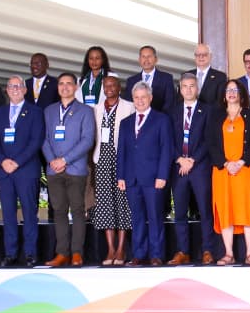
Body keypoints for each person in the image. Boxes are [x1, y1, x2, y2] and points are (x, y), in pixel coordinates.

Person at [207, 78, 250, 266]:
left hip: (247, 170)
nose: (231, 93)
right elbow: (211, 144)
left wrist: (241, 162)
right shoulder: (216, 117)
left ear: (241, 94)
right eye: (228, 90)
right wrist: (225, 163)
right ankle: (228, 253)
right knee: (226, 210)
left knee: (247, 209)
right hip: (223, 172)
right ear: (224, 96)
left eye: (235, 90)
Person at [42, 72, 96, 267]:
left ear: (75, 87)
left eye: (69, 84)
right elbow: (45, 139)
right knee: (59, 212)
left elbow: (87, 140)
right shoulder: (48, 111)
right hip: (54, 170)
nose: (65, 87)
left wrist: (64, 159)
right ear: (58, 87)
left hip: (76, 169)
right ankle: (62, 253)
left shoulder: (85, 111)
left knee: (78, 211)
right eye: (61, 84)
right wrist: (52, 161)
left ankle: (76, 253)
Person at [0, 75, 45, 267]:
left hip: (26, 170)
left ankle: (30, 253)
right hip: (4, 171)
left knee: (30, 213)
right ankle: (10, 253)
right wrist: (3, 160)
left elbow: (36, 141)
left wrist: (17, 162)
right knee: (8, 213)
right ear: (6, 90)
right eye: (11, 86)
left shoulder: (36, 112)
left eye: (18, 86)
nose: (14, 89)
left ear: (24, 90)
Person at [117, 81, 171, 266]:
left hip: (153, 178)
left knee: (155, 217)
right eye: (136, 97)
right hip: (131, 179)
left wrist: (162, 175)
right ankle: (138, 254)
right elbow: (121, 151)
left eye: (143, 97)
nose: (140, 101)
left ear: (150, 98)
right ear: (133, 99)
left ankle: (156, 254)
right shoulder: (125, 123)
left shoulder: (161, 120)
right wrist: (121, 176)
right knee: (137, 218)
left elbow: (166, 149)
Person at [168, 73, 218, 266]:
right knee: (180, 211)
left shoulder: (208, 110)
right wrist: (180, 159)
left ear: (197, 88)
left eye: (192, 86)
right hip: (179, 167)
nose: (188, 90)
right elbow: (168, 140)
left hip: (200, 167)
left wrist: (193, 160)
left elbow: (209, 139)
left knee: (205, 210)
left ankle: (208, 250)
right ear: (180, 89)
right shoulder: (172, 112)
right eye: (185, 86)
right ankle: (183, 251)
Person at [91, 75, 135, 265]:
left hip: (122, 160)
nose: (109, 88)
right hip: (102, 161)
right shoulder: (96, 109)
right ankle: (110, 249)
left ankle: (121, 249)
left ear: (119, 87)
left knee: (122, 204)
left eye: (113, 85)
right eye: (106, 85)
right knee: (105, 205)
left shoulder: (129, 107)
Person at [123, 45, 176, 113]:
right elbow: (129, 104)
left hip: (159, 120)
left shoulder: (166, 78)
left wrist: (160, 119)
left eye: (149, 56)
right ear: (139, 60)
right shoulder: (131, 81)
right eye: (143, 57)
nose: (146, 60)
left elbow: (169, 103)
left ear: (156, 59)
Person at [187, 42, 228, 107]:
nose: (201, 57)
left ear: (210, 56)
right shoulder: (186, 75)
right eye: (198, 54)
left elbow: (220, 103)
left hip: (211, 116)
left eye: (205, 54)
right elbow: (180, 100)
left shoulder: (220, 77)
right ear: (195, 57)